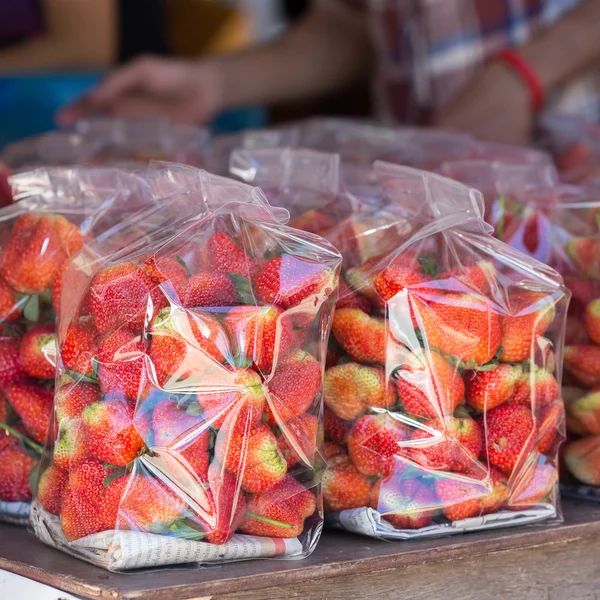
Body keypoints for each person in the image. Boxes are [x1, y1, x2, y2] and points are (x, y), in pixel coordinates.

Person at [60, 0, 600, 145]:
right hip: (435, 193)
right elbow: (347, 29)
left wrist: (521, 75)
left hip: (577, 189)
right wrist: (215, 82)